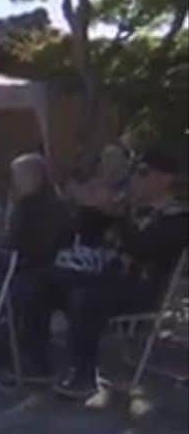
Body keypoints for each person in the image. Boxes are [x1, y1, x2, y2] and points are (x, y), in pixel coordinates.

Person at [14, 147, 187, 399]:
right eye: (134, 172)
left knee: (85, 298)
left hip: (141, 288)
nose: (134, 179)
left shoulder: (177, 217)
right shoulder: (125, 208)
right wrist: (89, 206)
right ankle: (36, 362)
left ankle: (83, 376)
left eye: (143, 173)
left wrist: (115, 217)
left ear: (165, 178)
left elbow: (144, 247)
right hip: (104, 278)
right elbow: (79, 232)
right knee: (38, 281)